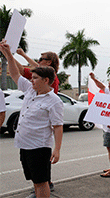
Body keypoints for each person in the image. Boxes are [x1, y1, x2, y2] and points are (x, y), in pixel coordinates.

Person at [0, 40, 63, 198]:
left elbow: (57, 126)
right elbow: (15, 74)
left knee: (42, 183)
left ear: (46, 80)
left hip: (39, 148)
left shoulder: (54, 101)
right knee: (35, 181)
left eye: (34, 78)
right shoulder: (30, 90)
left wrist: (57, 149)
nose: (31, 80)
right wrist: (8, 54)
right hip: (25, 145)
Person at [90, 72, 110, 177]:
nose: (109, 86)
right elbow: (101, 86)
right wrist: (94, 79)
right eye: (109, 84)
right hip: (107, 127)